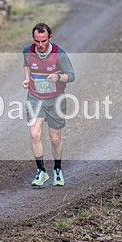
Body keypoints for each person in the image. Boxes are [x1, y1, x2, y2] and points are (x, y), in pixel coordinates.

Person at [22, 22, 76, 187]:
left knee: (55, 137)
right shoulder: (27, 51)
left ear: (49, 38)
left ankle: (57, 169)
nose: (40, 45)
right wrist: (27, 78)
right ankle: (41, 171)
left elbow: (72, 75)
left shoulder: (59, 53)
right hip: (35, 97)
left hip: (55, 99)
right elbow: (27, 65)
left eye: (43, 41)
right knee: (35, 134)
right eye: (37, 41)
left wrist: (59, 77)